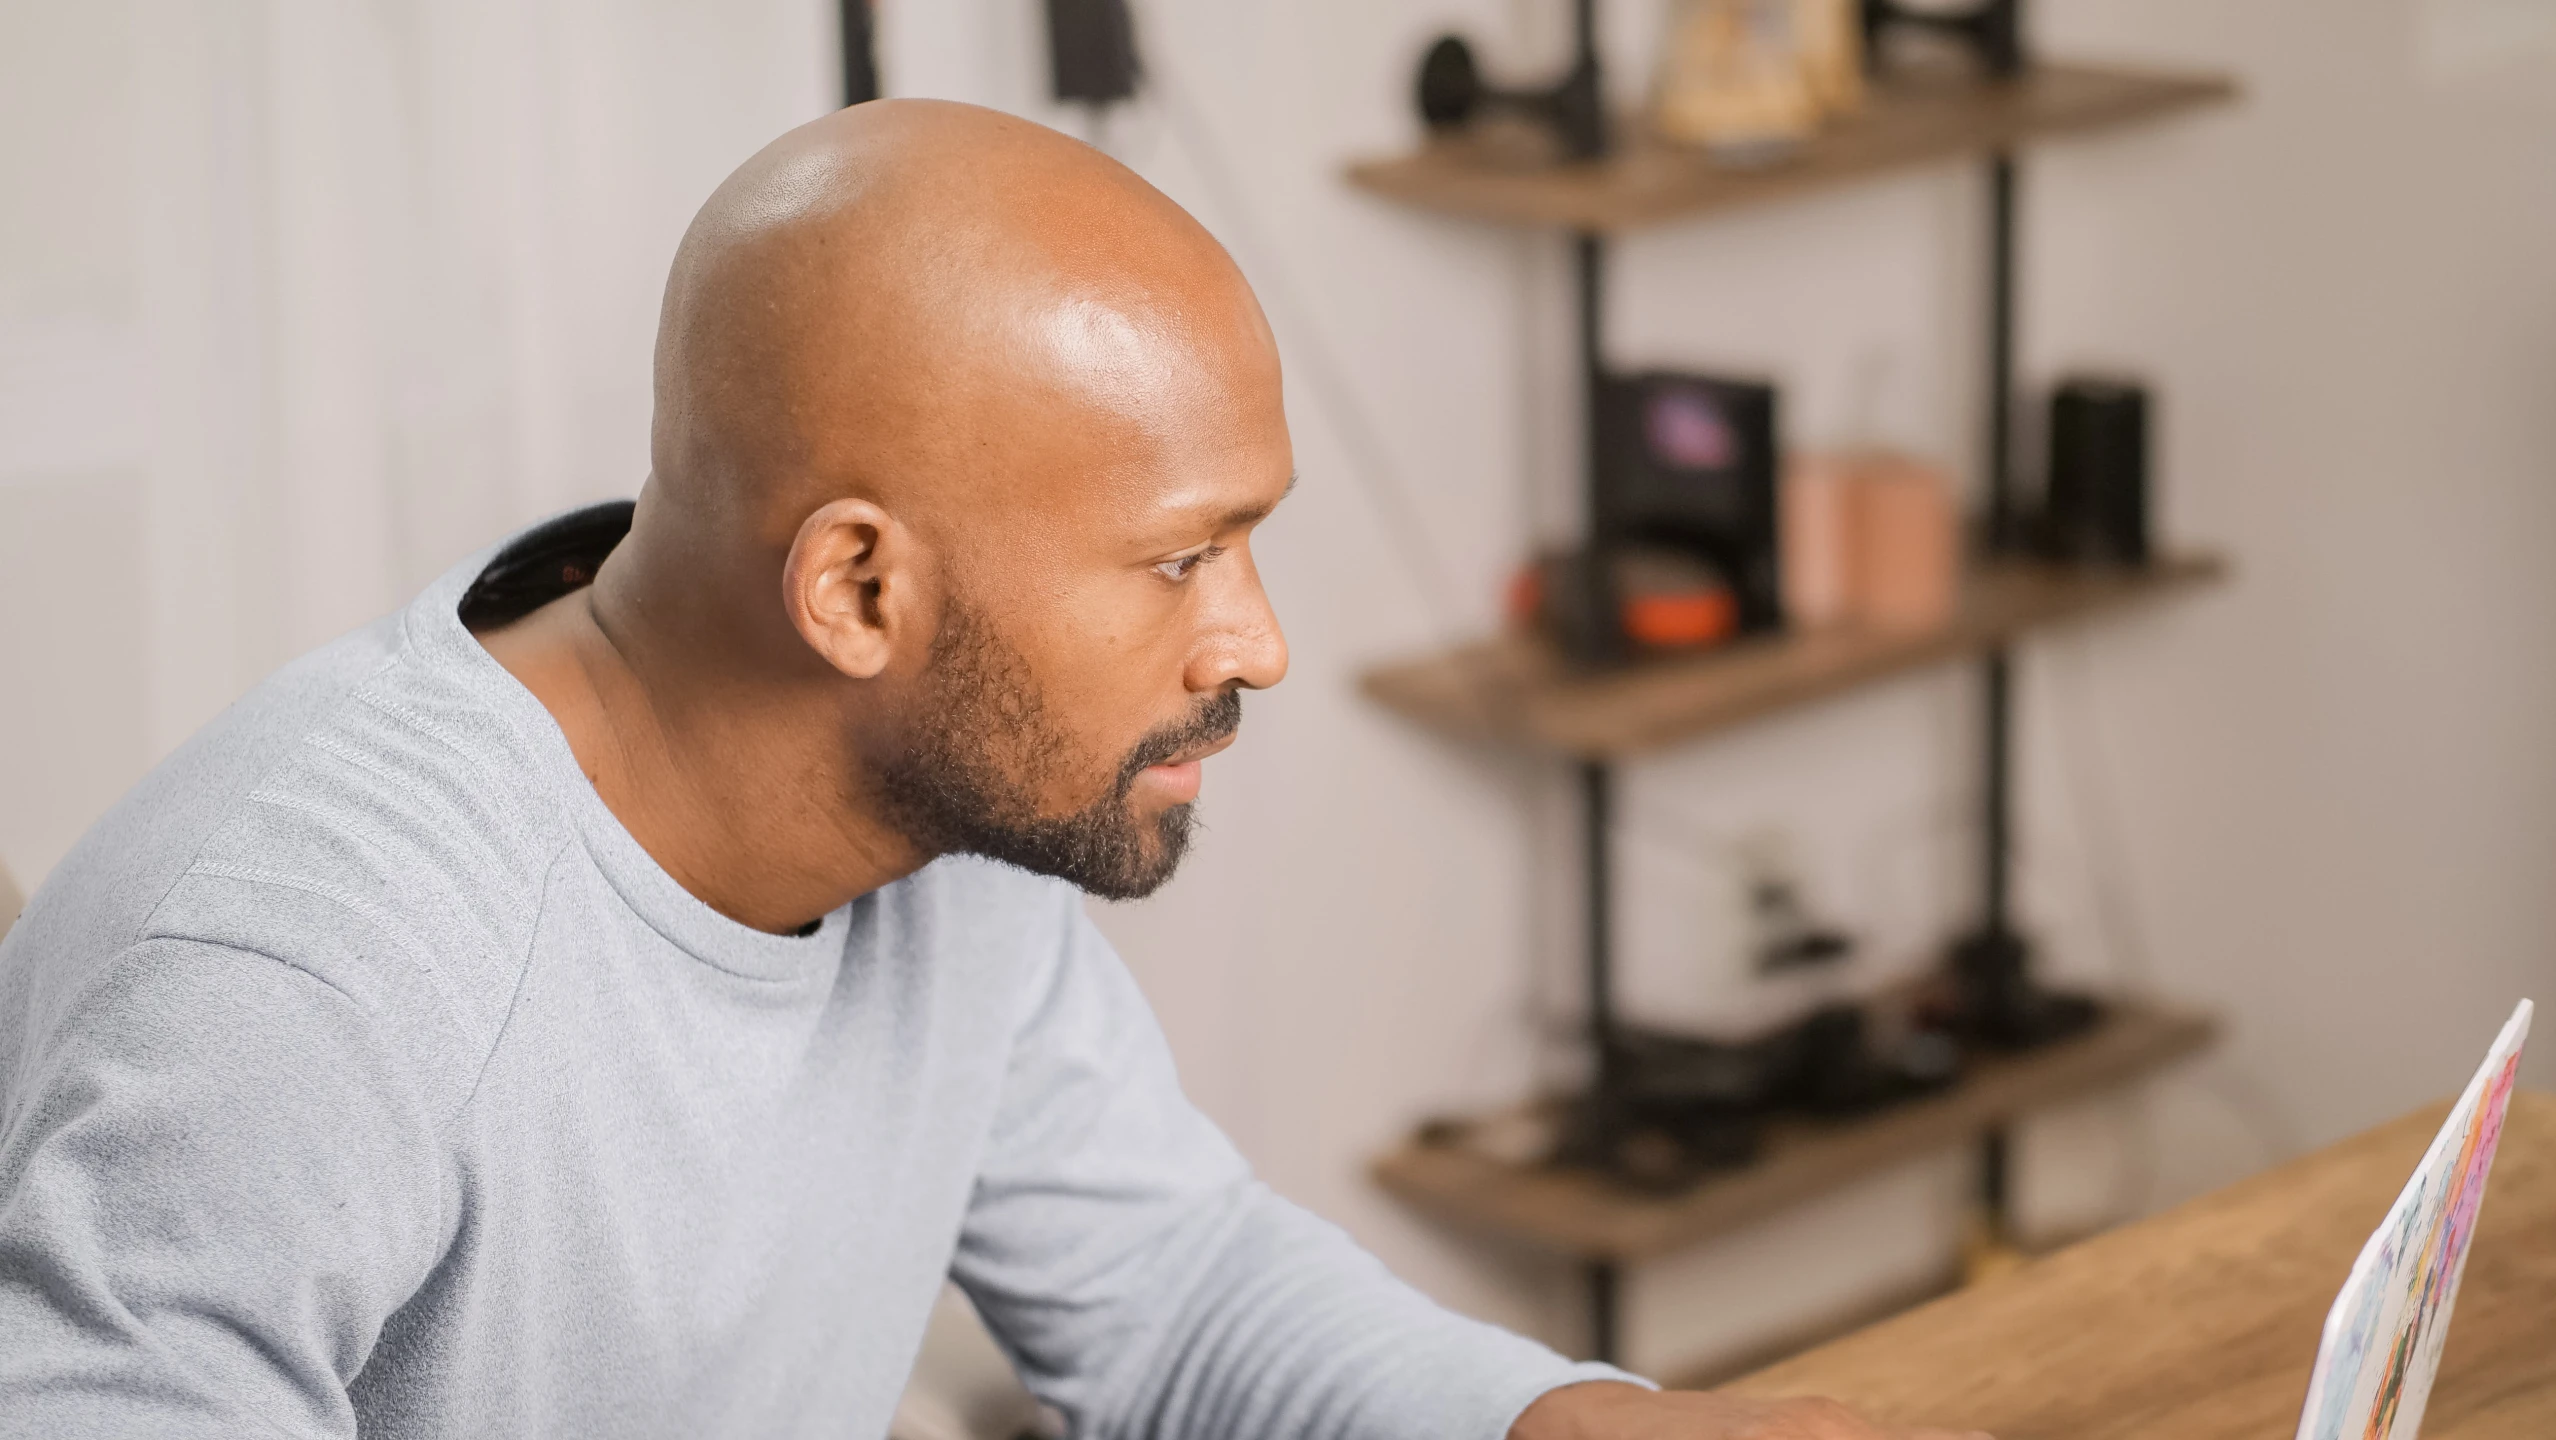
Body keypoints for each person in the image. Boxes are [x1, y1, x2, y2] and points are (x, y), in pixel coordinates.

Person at [0, 100, 1987, 1440]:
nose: (1259, 643)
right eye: (1182, 556)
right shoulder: (302, 977)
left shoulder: (919, 827)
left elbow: (1172, 1288)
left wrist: (1564, 1423)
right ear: (857, 587)